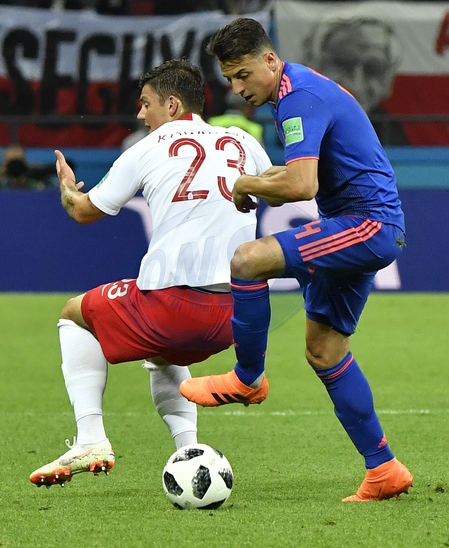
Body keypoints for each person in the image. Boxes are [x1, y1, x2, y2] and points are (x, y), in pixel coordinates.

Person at [179, 18, 413, 502]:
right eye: (230, 79)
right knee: (324, 350)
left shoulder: (298, 97)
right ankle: (383, 469)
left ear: (270, 59)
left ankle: (247, 377)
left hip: (366, 225)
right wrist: (263, 180)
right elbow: (300, 172)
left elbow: (302, 185)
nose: (238, 88)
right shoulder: (295, 90)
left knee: (247, 261)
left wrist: (247, 184)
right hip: (362, 225)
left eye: (243, 74)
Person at [29, 58, 271, 487]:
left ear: (172, 105)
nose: (140, 114)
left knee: (74, 314)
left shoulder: (147, 147)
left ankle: (90, 439)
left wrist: (66, 187)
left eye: (146, 103)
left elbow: (84, 212)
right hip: (236, 318)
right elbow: (279, 188)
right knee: (161, 353)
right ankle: (190, 451)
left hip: (172, 307)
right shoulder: (244, 142)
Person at [301, 16, 409, 146]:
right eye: (343, 63)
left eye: (372, 69)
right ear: (314, 66)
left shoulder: (392, 135)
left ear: (387, 81)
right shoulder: (291, 124)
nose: (356, 85)